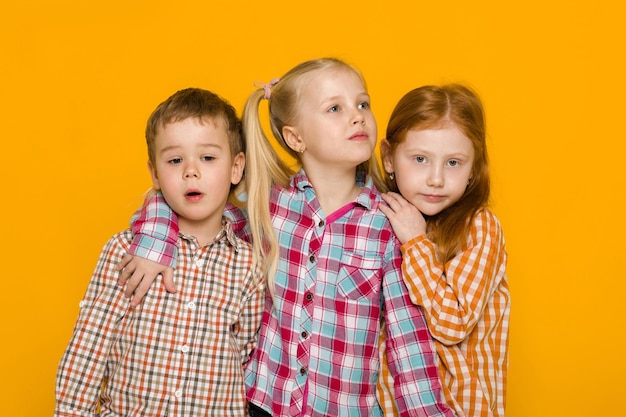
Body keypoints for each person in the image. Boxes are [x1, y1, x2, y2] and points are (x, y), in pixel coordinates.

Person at [117, 58, 454, 417]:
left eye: (363, 104)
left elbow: (407, 342)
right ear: (296, 138)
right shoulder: (269, 204)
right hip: (262, 402)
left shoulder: (389, 224)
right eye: (335, 108)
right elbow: (190, 208)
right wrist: (154, 241)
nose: (357, 116)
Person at [54, 88, 265, 417]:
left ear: (237, 168)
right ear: (155, 173)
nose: (190, 171)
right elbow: (89, 348)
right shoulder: (126, 250)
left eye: (208, 158)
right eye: (175, 160)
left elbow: (247, 357)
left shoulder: (250, 265)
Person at [377, 84, 510, 417]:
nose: (436, 179)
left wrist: (415, 243)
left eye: (453, 163)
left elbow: (452, 324)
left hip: (457, 408)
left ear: (473, 169)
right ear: (389, 158)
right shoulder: (382, 217)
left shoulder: (479, 227)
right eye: (420, 159)